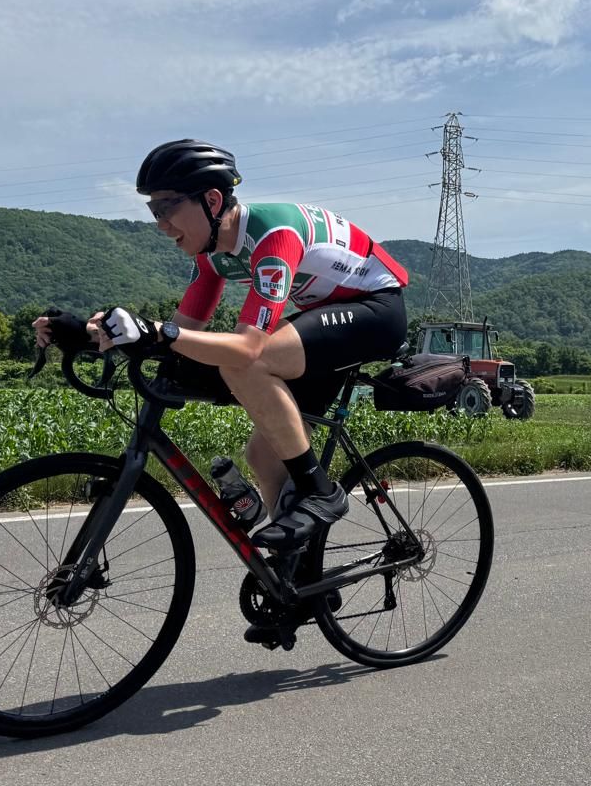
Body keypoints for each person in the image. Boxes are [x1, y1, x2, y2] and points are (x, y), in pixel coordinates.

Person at [35, 138, 409, 559]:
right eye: (152, 210)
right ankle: (295, 575)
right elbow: (178, 334)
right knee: (263, 457)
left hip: (376, 309)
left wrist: (159, 332)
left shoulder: (274, 237)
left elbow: (246, 347)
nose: (160, 223)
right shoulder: (212, 256)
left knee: (245, 362)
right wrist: (91, 332)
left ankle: (320, 492)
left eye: (167, 208)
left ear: (212, 201)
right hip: (321, 319)